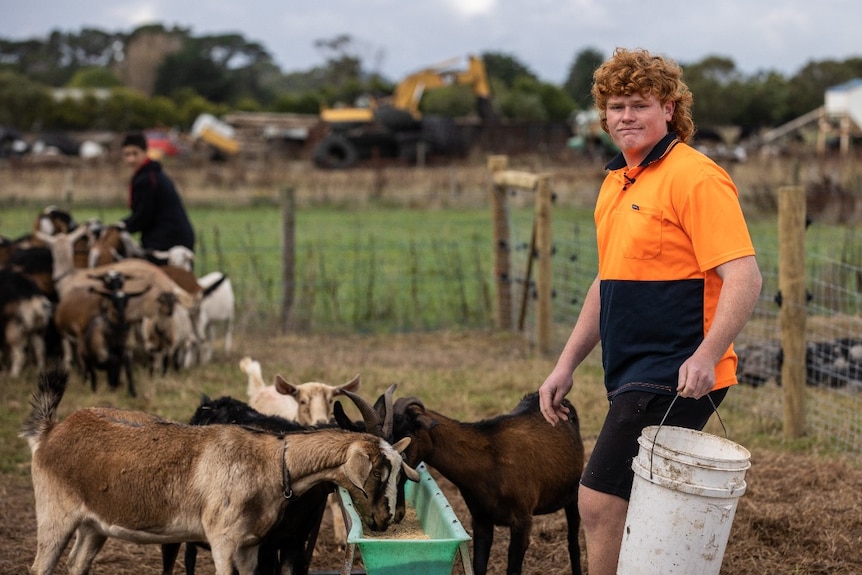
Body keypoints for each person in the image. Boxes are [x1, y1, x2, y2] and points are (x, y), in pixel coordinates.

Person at [537, 48, 762, 575]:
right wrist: (565, 364)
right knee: (632, 496)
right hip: (630, 368)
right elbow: (606, 281)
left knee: (597, 499)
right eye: (615, 107)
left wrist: (707, 355)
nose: (625, 117)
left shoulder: (695, 176)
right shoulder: (617, 181)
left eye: (639, 104)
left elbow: (745, 276)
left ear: (669, 108)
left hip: (679, 369)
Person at [119, 132, 195, 255]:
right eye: (127, 155)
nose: (131, 159)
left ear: (144, 152)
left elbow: (144, 215)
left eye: (135, 153)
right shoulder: (151, 174)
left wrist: (121, 227)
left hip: (167, 240)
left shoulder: (147, 179)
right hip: (171, 237)